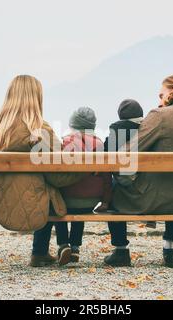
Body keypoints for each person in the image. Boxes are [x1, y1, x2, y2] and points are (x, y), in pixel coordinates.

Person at [104, 73, 173, 268]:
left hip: (153, 200)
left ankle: (121, 251)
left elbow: (126, 154)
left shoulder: (159, 116)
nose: (159, 99)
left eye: (161, 94)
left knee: (114, 188)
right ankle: (170, 250)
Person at [0, 75, 85, 267]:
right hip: (33, 205)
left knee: (38, 185)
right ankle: (50, 248)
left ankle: (40, 252)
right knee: (50, 188)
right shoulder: (40, 131)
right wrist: (83, 172)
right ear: (37, 98)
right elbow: (58, 175)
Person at [55, 107, 112, 265]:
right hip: (90, 201)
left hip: (65, 200)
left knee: (58, 207)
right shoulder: (99, 144)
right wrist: (105, 201)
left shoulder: (65, 142)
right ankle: (75, 247)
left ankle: (63, 244)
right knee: (80, 205)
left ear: (72, 123)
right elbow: (107, 177)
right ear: (92, 125)